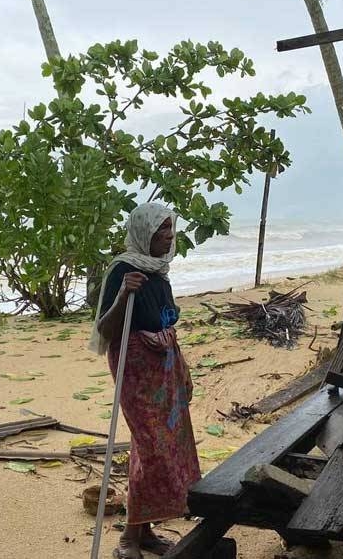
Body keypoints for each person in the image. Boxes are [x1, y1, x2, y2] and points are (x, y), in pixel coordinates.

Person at [91, 202, 201, 558]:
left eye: (171, 229)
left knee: (164, 445)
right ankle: (128, 538)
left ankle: (145, 532)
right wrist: (123, 294)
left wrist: (182, 368)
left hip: (164, 366)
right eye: (161, 230)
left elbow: (166, 321)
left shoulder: (160, 272)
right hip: (135, 369)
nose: (169, 236)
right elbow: (106, 330)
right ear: (144, 233)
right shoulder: (123, 269)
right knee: (152, 448)